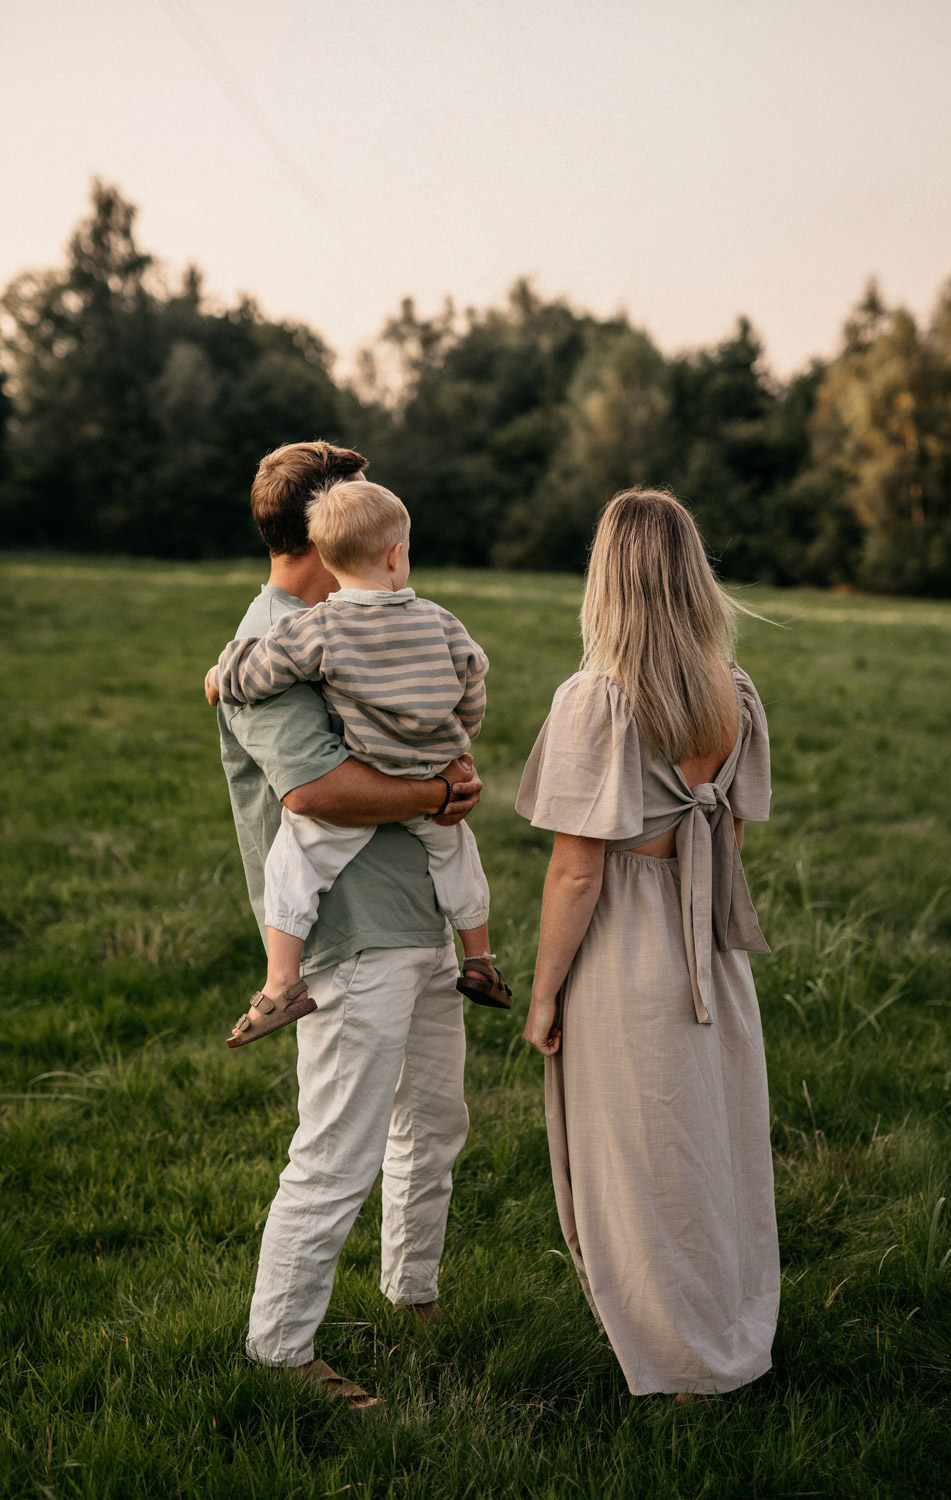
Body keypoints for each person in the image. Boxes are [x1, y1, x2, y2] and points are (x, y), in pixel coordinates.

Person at [210, 439, 482, 1410]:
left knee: (432, 1128)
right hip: (346, 938)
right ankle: (280, 1355)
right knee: (335, 1152)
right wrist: (436, 789)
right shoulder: (269, 644)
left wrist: (447, 775)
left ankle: (413, 1296)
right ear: (324, 531)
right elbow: (319, 790)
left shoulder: (367, 622)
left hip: (420, 924)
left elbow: (433, 727)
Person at [517, 488, 779, 1399]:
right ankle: (723, 1314)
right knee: (708, 1140)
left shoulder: (599, 699)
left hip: (627, 950)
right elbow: (732, 839)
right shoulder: (733, 692)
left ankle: (673, 1354)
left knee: (635, 1155)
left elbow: (577, 873)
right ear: (694, 577)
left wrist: (546, 992)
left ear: (608, 581)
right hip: (708, 942)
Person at [207, 478, 511, 1049]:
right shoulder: (443, 622)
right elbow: (473, 682)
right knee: (461, 861)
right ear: (397, 554)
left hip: (373, 773)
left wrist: (219, 676)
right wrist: (457, 743)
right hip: (432, 776)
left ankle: (280, 982)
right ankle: (481, 960)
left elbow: (257, 672)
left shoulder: (315, 628)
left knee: (294, 866)